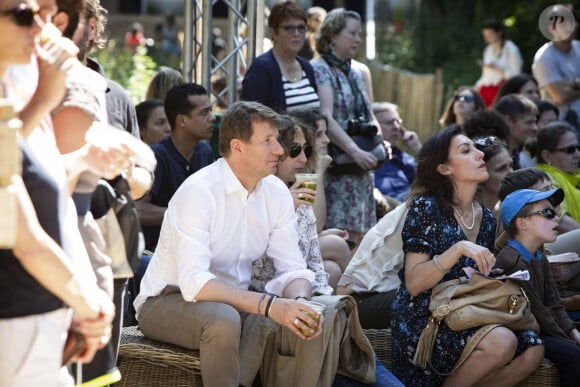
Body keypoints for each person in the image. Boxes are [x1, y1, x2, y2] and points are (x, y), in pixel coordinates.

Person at [134, 101, 326, 386]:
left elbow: (293, 268)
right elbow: (195, 284)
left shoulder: (275, 192)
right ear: (238, 147)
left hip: (233, 300)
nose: (280, 150)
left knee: (307, 312)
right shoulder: (199, 192)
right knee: (225, 319)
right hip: (166, 301)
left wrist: (299, 303)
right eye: (268, 141)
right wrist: (270, 305)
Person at [390, 125, 544, 386]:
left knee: (533, 350)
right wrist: (458, 249)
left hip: (469, 308)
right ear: (445, 168)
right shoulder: (426, 207)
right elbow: (414, 284)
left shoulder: (483, 216)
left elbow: (477, 277)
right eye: (466, 150)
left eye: (476, 148)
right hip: (427, 315)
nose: (479, 154)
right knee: (502, 342)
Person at [496, 188, 580, 387]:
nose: (557, 218)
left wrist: (573, 332)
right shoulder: (513, 262)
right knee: (573, 356)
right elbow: (538, 312)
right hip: (519, 330)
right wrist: (569, 340)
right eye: (548, 213)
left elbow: (554, 303)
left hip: (539, 326)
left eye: (555, 212)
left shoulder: (538, 257)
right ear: (522, 223)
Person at [311, 8, 380, 240]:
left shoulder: (360, 70)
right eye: (352, 33)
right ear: (332, 35)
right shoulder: (320, 68)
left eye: (359, 34)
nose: (358, 39)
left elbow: (370, 111)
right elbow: (326, 117)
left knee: (364, 235)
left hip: (362, 166)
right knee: (342, 235)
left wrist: (381, 143)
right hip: (339, 165)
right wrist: (355, 151)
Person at [136, 83, 214, 252]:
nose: (212, 118)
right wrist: (186, 214)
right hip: (156, 252)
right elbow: (139, 211)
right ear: (182, 120)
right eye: (204, 113)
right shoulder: (156, 156)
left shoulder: (205, 152)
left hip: (197, 246)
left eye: (210, 111)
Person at [240, 1, 319, 112]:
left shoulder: (307, 66)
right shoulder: (261, 69)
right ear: (273, 31)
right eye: (289, 28)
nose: (296, 33)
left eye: (301, 28)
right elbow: (248, 118)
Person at [532, 4, 580, 134]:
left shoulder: (578, 48)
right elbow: (560, 96)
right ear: (551, 28)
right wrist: (574, 82)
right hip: (561, 128)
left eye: (572, 22)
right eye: (562, 23)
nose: (569, 27)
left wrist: (572, 84)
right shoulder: (544, 58)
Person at [372, 102, 420, 202]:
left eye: (398, 122)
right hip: (384, 207)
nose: (396, 127)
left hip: (408, 205)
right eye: (390, 123)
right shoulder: (366, 156)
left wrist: (417, 148)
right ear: (374, 126)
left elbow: (431, 179)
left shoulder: (402, 157)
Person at [534, 122, 580, 223]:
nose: (578, 154)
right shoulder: (544, 179)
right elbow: (560, 221)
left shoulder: (575, 176)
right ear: (547, 156)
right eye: (570, 150)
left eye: (578, 148)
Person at [475, 18, 523, 107]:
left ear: (499, 32)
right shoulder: (488, 49)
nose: (487, 39)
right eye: (485, 36)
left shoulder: (511, 49)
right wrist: (477, 86)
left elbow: (516, 76)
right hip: (485, 91)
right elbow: (485, 76)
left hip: (502, 92)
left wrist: (496, 68)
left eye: (490, 35)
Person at [473, 135, 513, 226]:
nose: (511, 173)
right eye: (501, 169)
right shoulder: (468, 218)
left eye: (511, 165)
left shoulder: (515, 211)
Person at [494, 93, 538, 170]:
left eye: (535, 122)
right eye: (529, 122)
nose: (535, 128)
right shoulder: (492, 155)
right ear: (508, 121)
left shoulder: (514, 152)